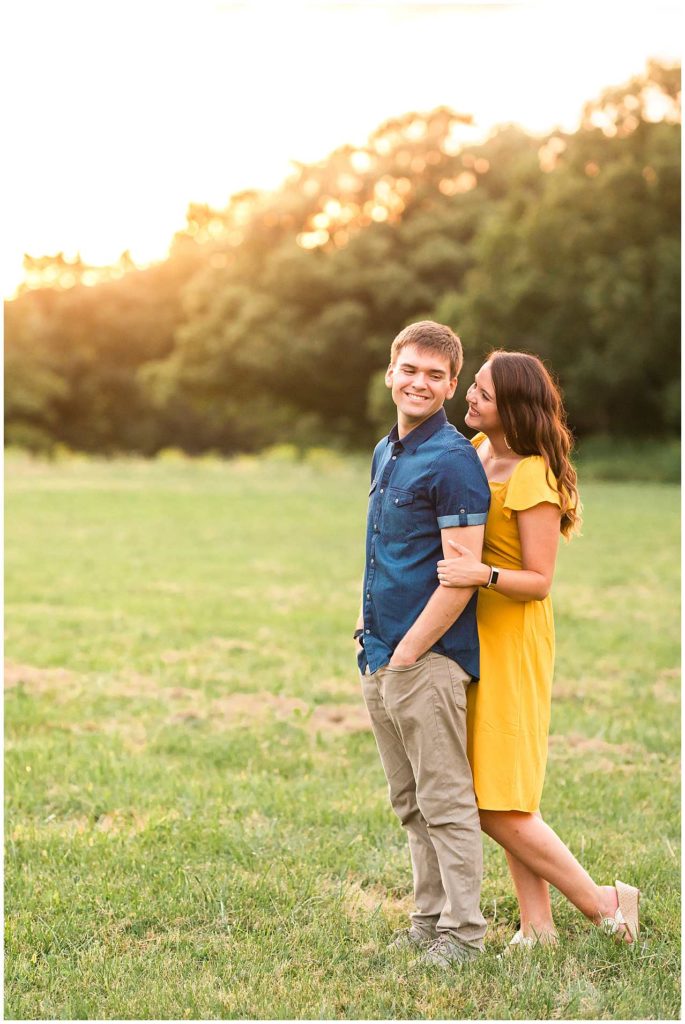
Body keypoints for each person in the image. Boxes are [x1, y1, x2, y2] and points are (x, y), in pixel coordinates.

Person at [436, 350, 640, 949]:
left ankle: (605, 904)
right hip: (474, 634)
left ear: (515, 408)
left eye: (482, 394)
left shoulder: (532, 474)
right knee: (505, 790)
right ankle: (538, 926)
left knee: (496, 799)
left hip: (514, 639)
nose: (467, 397)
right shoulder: (478, 453)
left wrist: (482, 575)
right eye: (471, 386)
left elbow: (540, 580)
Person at [354, 320, 491, 969]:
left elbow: (458, 579)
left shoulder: (454, 462)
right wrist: (371, 636)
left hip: (427, 662)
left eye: (434, 374)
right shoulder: (388, 450)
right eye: (409, 369)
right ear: (390, 373)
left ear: (450, 384)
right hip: (378, 653)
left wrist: (407, 654)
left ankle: (462, 935)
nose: (419, 382)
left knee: (444, 802)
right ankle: (427, 918)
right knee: (409, 804)